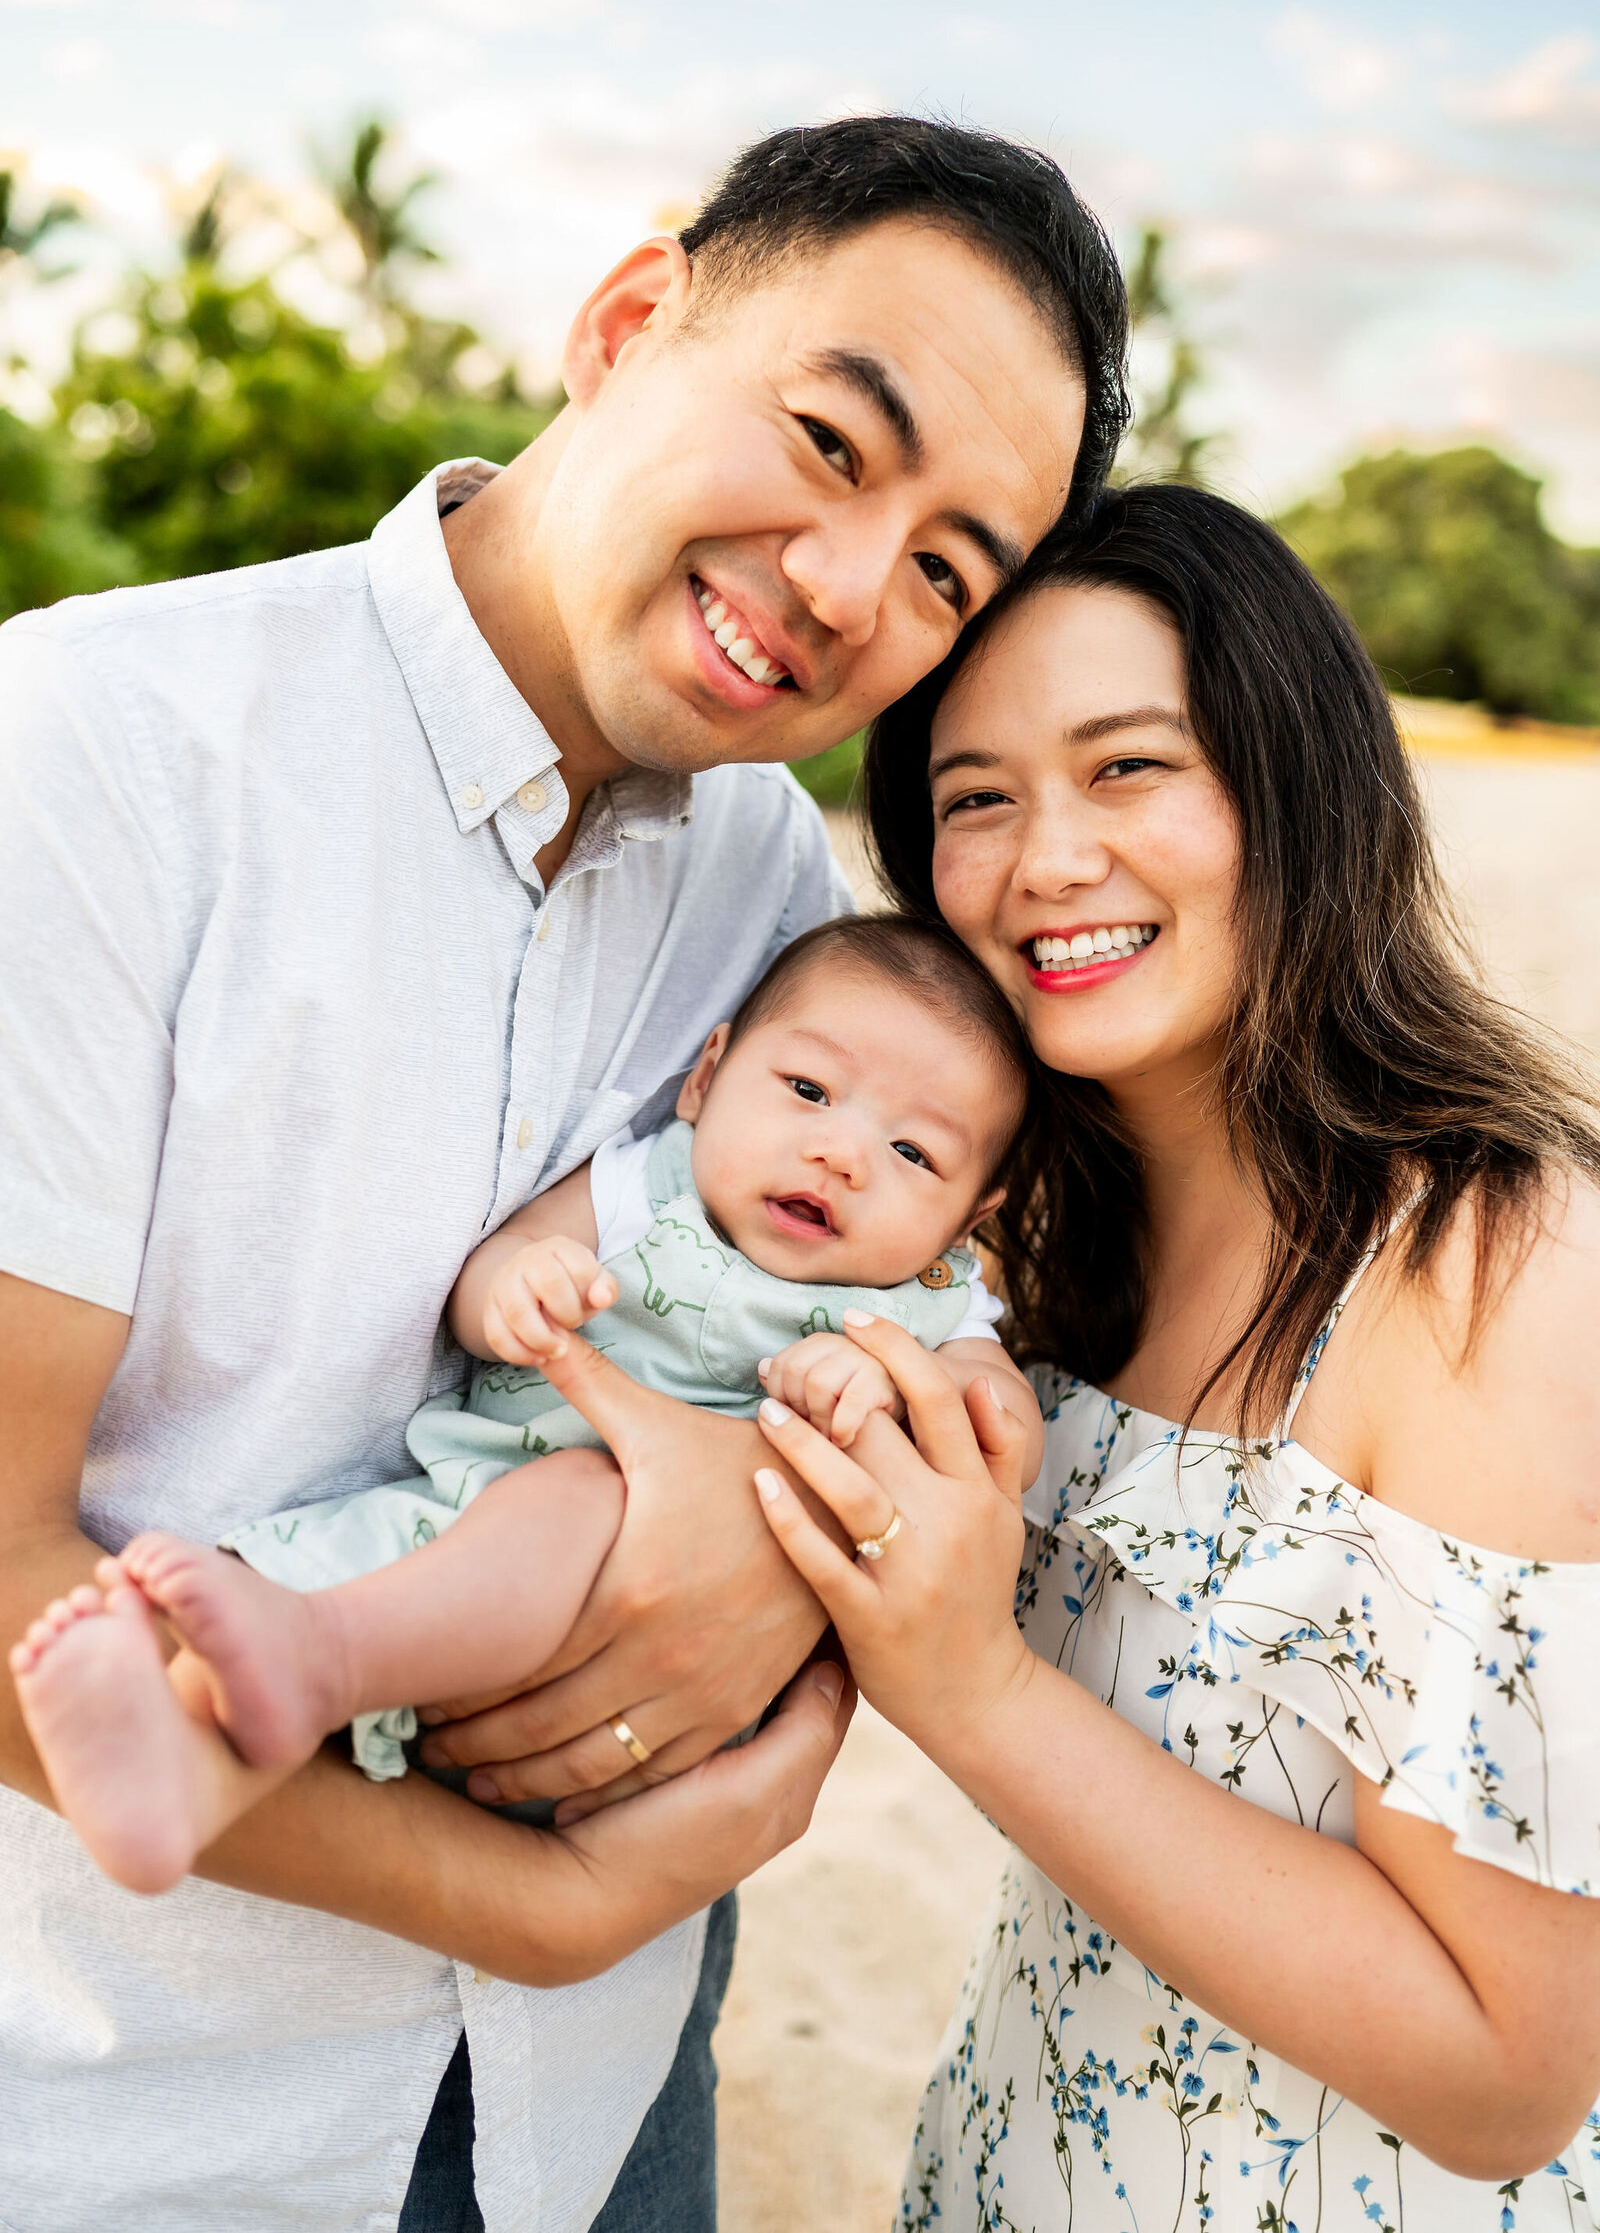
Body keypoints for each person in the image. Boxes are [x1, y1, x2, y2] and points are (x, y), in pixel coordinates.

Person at [0, 113, 1125, 2231]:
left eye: (948, 569)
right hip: (151, 2119)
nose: (844, 586)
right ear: (626, 323)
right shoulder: (96, 748)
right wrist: (528, 1891)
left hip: (605, 2094)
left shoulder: (775, 883)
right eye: (824, 440)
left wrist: (760, 1542)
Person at [750, 485, 1600, 2228]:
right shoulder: (1045, 1239)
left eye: (1129, 767)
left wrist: (974, 1691)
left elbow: (1511, 2071)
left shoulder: (1484, 1265)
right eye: (975, 799)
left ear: (1297, 786)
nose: (1046, 858)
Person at [15, 915, 1046, 1894]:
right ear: (705, 1075)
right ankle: (183, 1784)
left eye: (915, 1153)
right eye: (808, 1087)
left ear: (974, 1213)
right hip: (455, 1523)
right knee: (248, 1593)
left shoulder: (927, 1300)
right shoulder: (646, 1186)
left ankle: (320, 1659)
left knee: (587, 1492)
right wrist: (513, 1283)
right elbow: (493, 1270)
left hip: (636, 1635)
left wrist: (890, 1389)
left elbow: (1001, 1418)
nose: (843, 1153)